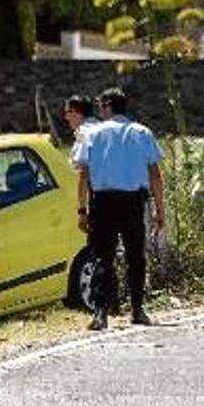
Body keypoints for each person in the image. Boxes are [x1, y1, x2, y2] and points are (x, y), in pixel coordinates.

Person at [73, 87, 165, 331]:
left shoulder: (92, 134)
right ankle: (137, 309)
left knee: (103, 256)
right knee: (136, 256)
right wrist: (159, 209)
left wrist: (82, 210)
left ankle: (101, 311)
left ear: (107, 107)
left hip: (102, 201)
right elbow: (155, 174)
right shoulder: (142, 133)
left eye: (101, 106)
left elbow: (83, 174)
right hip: (134, 202)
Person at [64, 94, 100, 164]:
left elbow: (79, 165)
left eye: (67, 112)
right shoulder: (102, 128)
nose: (66, 118)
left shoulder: (84, 133)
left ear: (74, 112)